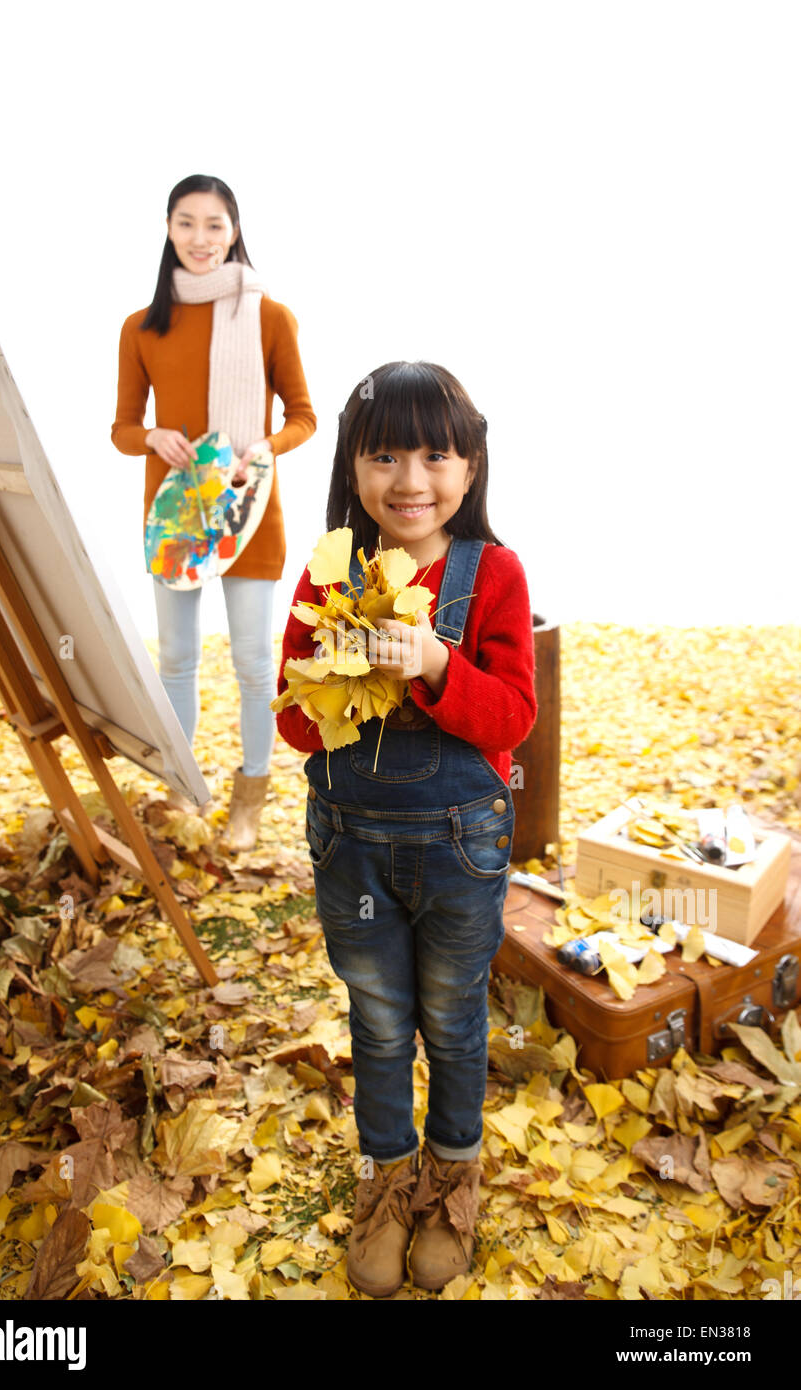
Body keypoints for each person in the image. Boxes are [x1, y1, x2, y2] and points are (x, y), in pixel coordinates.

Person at [274, 361, 537, 1296]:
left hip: (461, 845)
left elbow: (511, 719)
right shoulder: (330, 568)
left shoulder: (491, 575)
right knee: (381, 1023)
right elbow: (293, 722)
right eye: (384, 454)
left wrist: (434, 663)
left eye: (436, 454)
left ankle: (453, 1177)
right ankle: (388, 1181)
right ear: (352, 464)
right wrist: (340, 673)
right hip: (351, 844)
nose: (410, 480)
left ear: (470, 468)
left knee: (455, 1023)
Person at [112, 173, 316, 849]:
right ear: (168, 230)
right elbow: (120, 429)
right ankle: (181, 785)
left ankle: (250, 797)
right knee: (175, 660)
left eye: (215, 224)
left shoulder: (271, 317)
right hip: (174, 517)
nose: (201, 239)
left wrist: (260, 448)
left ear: (235, 231)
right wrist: (148, 437)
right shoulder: (141, 327)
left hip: (248, 508)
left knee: (256, 662)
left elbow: (305, 417)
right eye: (186, 223)